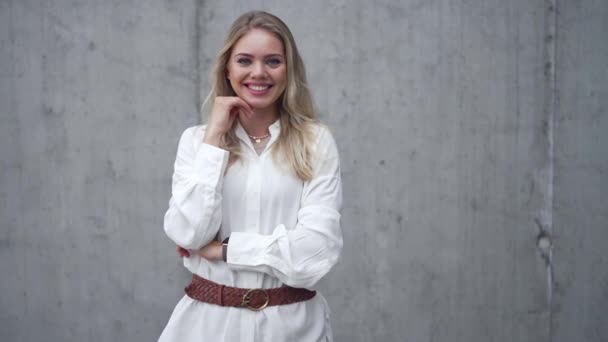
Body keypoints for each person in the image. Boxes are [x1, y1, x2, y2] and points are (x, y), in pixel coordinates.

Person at [158, 10, 343, 342]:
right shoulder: (195, 142)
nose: (259, 73)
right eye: (245, 60)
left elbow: (317, 252)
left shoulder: (316, 143)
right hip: (207, 328)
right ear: (228, 69)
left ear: (289, 70)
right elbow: (189, 232)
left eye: (273, 61)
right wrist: (214, 138)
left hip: (294, 330)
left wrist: (228, 249)